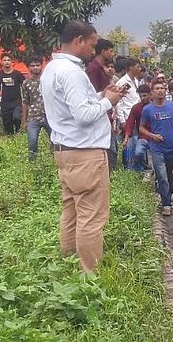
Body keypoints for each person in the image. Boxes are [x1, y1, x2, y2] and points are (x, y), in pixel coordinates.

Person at [41, 20, 124, 272]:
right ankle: (90, 277)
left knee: (72, 213)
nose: (94, 50)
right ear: (79, 41)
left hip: (66, 152)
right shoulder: (72, 72)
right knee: (91, 218)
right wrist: (109, 102)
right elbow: (83, 116)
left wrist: (101, 96)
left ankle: (68, 266)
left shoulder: (52, 69)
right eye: (92, 44)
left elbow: (73, 107)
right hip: (86, 154)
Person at [139, 80, 173, 217]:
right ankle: (166, 204)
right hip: (156, 148)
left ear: (166, 91)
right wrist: (152, 136)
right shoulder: (147, 109)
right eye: (157, 88)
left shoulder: (172, 107)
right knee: (162, 176)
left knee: (172, 176)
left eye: (162, 88)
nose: (159, 91)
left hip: (172, 146)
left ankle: (167, 196)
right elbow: (141, 127)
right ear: (152, 92)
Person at [21, 62, 51, 159]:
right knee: (32, 143)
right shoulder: (26, 83)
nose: (35, 68)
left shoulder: (48, 80)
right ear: (28, 67)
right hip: (33, 117)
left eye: (37, 65)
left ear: (41, 66)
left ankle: (54, 162)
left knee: (56, 141)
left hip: (49, 116)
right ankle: (33, 166)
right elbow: (25, 102)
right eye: (32, 65)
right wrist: (24, 121)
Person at [122, 83, 152, 171]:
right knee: (138, 153)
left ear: (150, 94)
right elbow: (130, 123)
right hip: (143, 137)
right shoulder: (136, 108)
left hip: (156, 137)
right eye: (141, 96)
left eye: (145, 95)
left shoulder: (156, 106)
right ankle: (147, 169)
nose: (142, 98)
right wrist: (126, 138)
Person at [0, 54, 25, 136]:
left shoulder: (17, 74)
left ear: (11, 62)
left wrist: (25, 99)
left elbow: (24, 86)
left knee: (17, 117)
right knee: (7, 123)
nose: (7, 62)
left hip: (16, 101)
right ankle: (10, 138)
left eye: (8, 60)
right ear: (1, 62)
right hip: (5, 102)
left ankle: (18, 132)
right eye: (5, 60)